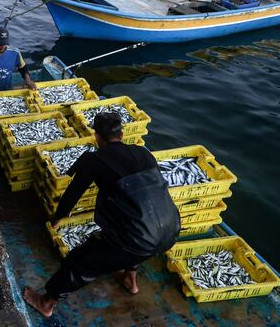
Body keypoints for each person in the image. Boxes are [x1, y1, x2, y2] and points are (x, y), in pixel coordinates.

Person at [23, 112, 180, 317]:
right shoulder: (144, 153)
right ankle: (130, 281)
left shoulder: (95, 160)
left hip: (138, 236)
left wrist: (57, 218)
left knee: (80, 262)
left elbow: (72, 195)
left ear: (97, 137)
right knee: (140, 235)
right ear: (122, 135)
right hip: (171, 228)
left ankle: (46, 302)